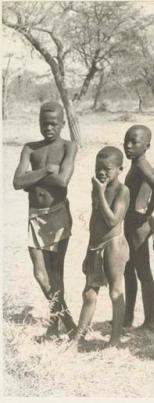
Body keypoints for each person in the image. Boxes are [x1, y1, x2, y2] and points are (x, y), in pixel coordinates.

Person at [13, 102, 78, 341]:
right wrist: (45, 171)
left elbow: (63, 182)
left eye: (53, 123)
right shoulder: (30, 148)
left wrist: (33, 178)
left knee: (56, 273)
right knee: (40, 274)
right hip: (35, 215)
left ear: (62, 123)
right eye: (44, 123)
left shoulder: (69, 146)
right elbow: (17, 182)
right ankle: (68, 321)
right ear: (39, 123)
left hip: (58, 214)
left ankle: (54, 324)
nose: (49, 127)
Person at [71, 147, 130, 348]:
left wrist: (100, 193)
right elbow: (94, 222)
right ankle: (78, 337)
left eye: (107, 169)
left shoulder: (123, 191)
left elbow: (112, 219)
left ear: (120, 169)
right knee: (89, 293)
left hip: (114, 244)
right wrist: (89, 252)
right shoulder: (98, 188)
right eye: (98, 168)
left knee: (115, 292)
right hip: (96, 244)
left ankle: (114, 340)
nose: (102, 172)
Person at [123, 125, 154, 331]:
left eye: (135, 142)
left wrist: (147, 211)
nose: (129, 146)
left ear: (147, 146)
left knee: (142, 272)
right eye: (126, 141)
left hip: (137, 222)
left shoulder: (140, 164)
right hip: (133, 222)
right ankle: (128, 317)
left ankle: (150, 321)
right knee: (129, 270)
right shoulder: (140, 163)